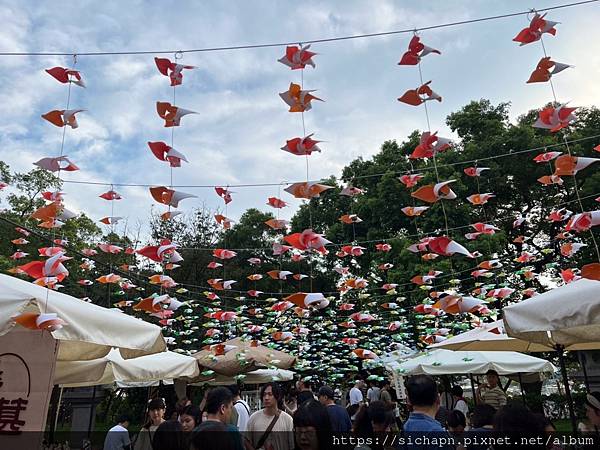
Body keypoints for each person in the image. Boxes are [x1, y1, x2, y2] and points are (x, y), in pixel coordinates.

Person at [247, 382, 294, 450]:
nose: (266, 398)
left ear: (277, 396)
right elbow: (246, 440)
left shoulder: (287, 419)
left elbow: (292, 445)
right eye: (264, 395)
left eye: (270, 394)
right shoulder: (254, 418)